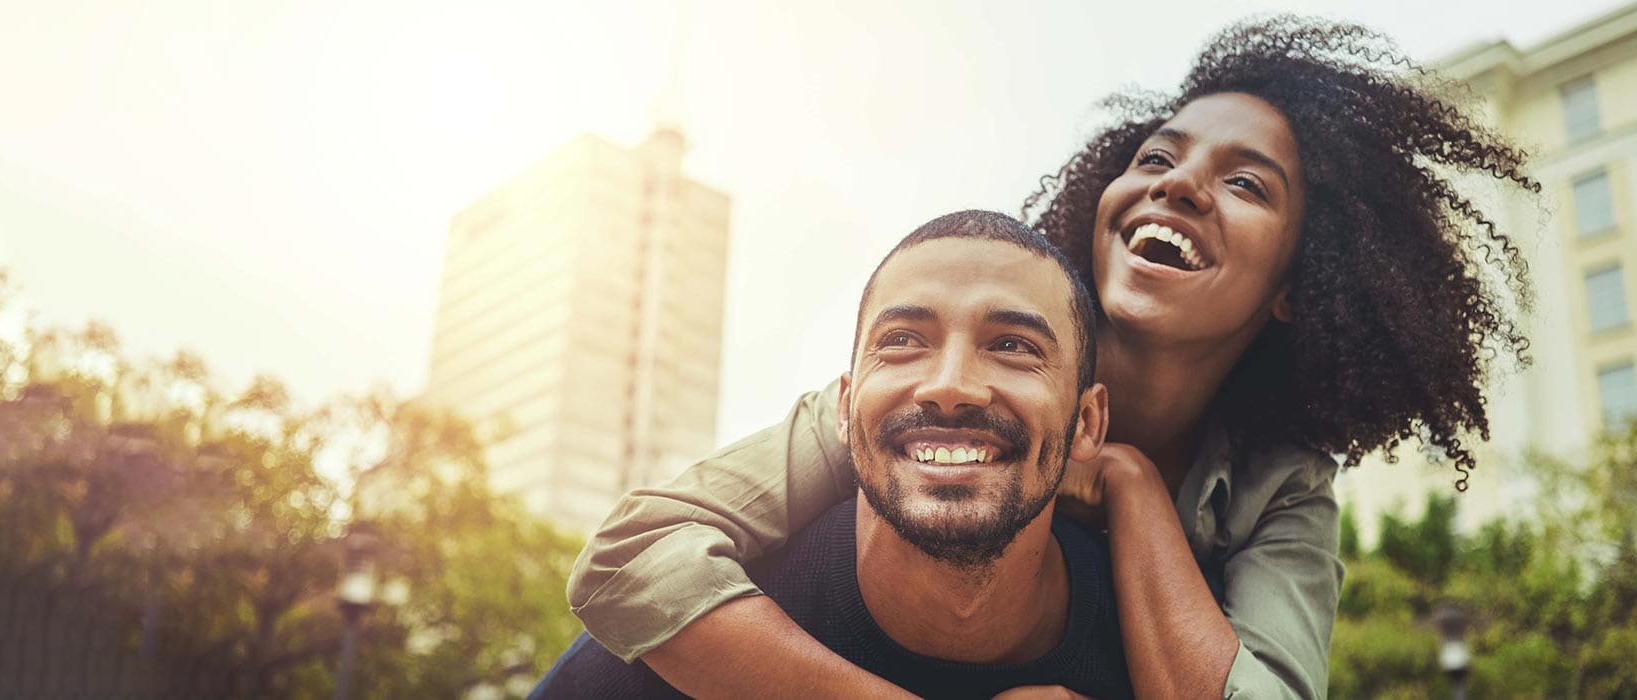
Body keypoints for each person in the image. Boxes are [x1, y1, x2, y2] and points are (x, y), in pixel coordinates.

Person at [565, 15, 1539, 699]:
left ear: (1302, 281)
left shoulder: (1281, 490)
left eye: (1245, 182)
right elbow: (633, 557)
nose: (1180, 186)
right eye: (1156, 158)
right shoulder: (951, 382)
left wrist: (1127, 485)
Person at [534, 211, 1132, 699]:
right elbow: (623, 563)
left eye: (1012, 345)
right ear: (842, 409)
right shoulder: (681, 647)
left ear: (1087, 422)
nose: (950, 385)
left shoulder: (1140, 647)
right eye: (901, 341)